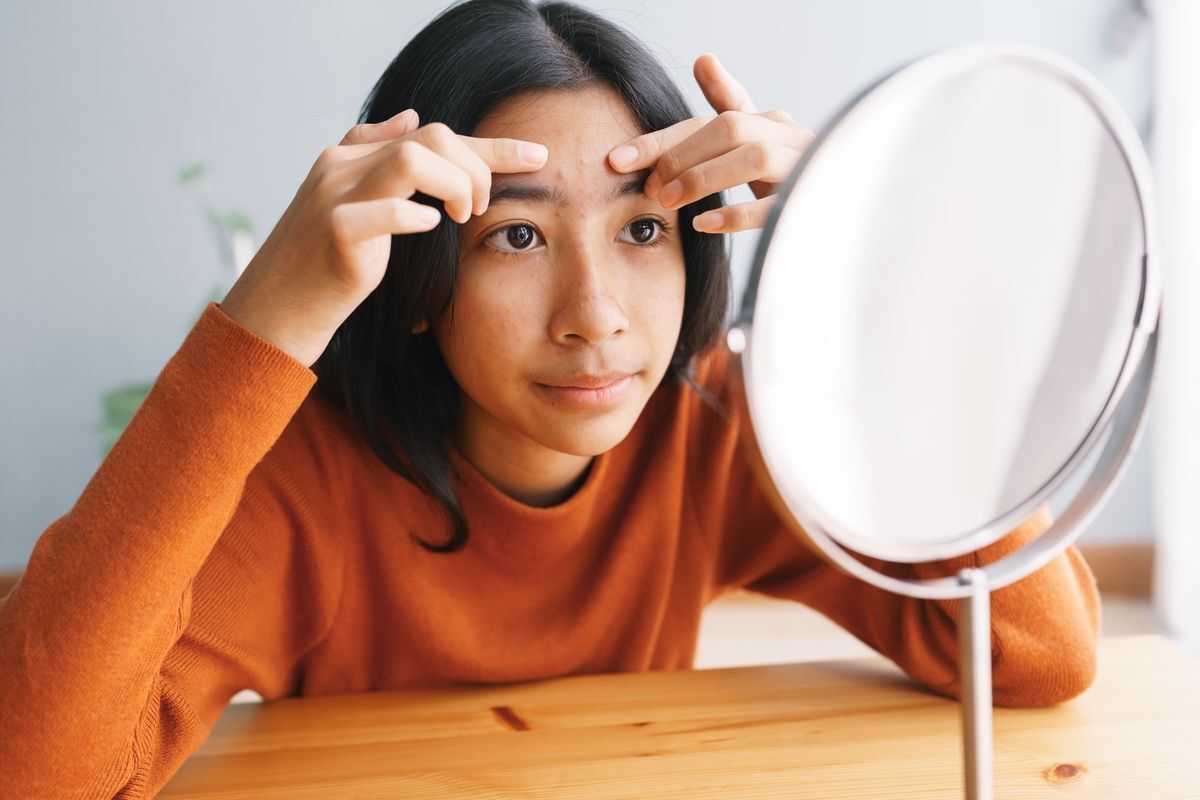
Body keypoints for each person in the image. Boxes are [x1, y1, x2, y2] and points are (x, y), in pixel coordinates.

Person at [0, 0, 1101, 796]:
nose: (597, 314)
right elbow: (36, 769)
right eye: (516, 234)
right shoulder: (310, 484)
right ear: (421, 277)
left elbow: (1040, 654)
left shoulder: (714, 421)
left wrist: (867, 267)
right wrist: (267, 322)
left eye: (641, 228)